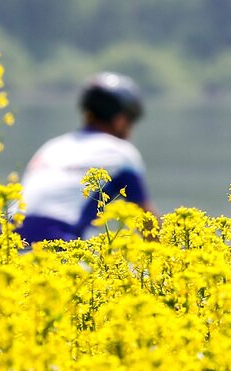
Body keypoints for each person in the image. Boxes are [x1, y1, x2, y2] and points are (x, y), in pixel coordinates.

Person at [17, 72, 154, 243]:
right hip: (58, 245)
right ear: (120, 120)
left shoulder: (52, 147)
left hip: (6, 242)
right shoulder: (121, 153)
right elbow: (149, 224)